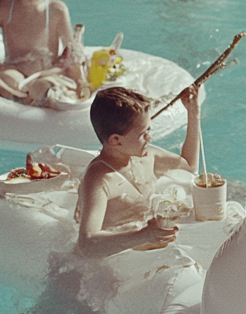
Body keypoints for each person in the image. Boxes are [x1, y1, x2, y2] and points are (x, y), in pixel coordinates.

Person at [77, 85, 202, 259]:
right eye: (143, 134)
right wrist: (144, 236)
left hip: (148, 244)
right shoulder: (99, 178)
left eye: (149, 130)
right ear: (116, 140)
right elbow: (87, 244)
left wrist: (193, 113)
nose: (149, 138)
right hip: (119, 257)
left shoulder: (146, 156)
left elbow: (189, 166)